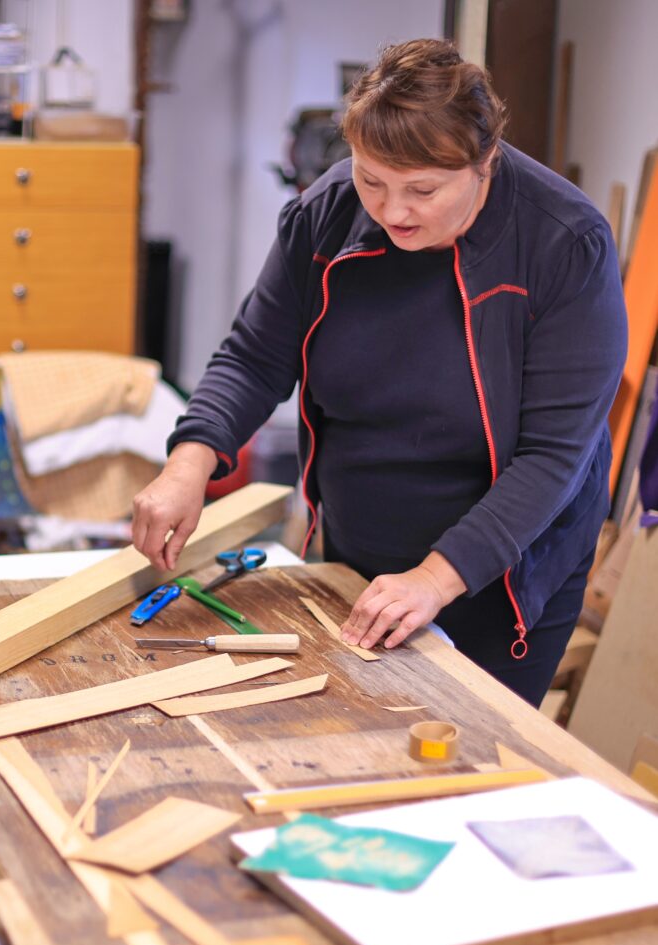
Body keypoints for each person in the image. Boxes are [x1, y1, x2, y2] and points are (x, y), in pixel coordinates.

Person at [132, 38, 627, 708]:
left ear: (484, 161)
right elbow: (255, 356)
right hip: (356, 559)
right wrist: (188, 464)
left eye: (423, 190)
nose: (392, 212)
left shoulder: (565, 243)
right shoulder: (326, 212)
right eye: (371, 181)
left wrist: (435, 578)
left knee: (468, 750)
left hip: (500, 573)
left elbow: (552, 458)